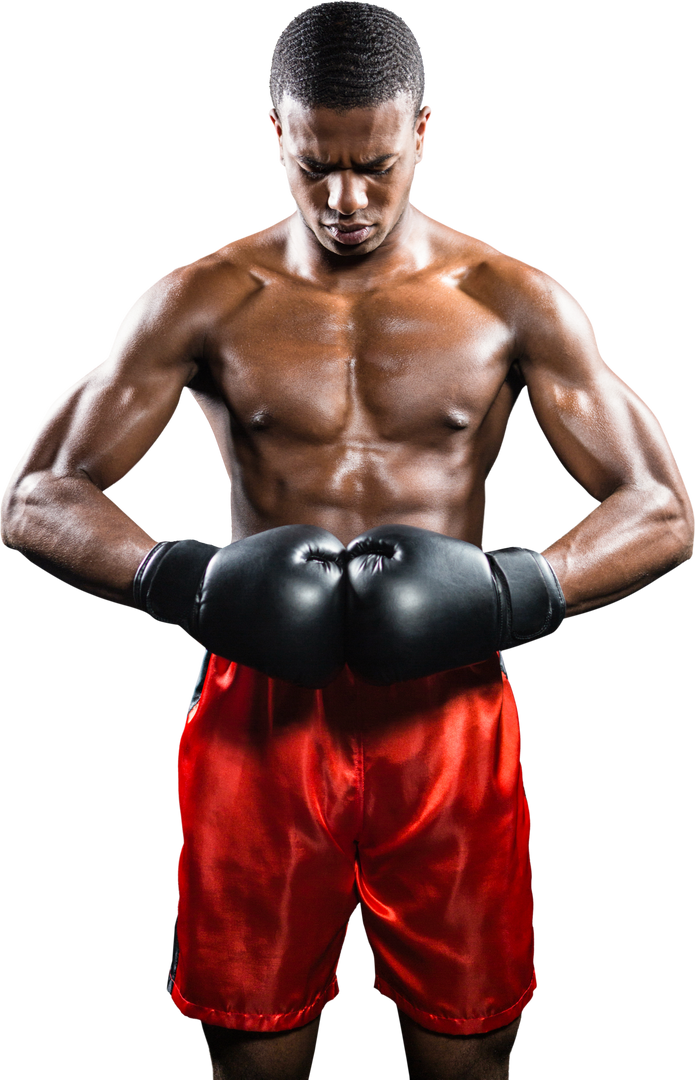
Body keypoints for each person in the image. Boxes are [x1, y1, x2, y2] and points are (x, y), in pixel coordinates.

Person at [2, 2, 693, 1078]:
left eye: (374, 164)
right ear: (275, 132)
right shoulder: (201, 299)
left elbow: (661, 508)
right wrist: (180, 580)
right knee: (250, 1045)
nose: (345, 199)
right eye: (316, 163)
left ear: (421, 130)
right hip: (259, 709)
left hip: (447, 705)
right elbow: (36, 494)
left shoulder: (508, 300)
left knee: (471, 1048)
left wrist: (513, 590)